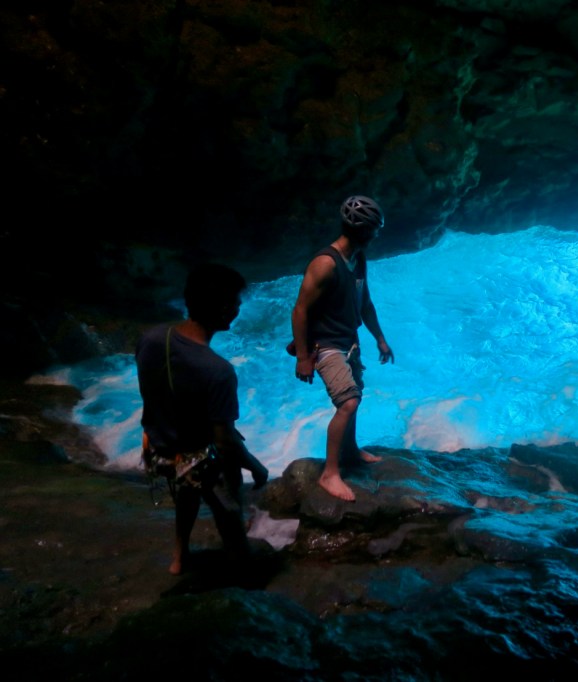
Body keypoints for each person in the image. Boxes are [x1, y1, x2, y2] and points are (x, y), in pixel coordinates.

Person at [136, 263, 269, 575]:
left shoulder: (151, 338)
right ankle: (241, 570)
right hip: (196, 460)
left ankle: (179, 556)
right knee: (229, 507)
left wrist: (155, 429)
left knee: (186, 491)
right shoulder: (217, 371)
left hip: (159, 453)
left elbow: (153, 391)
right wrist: (256, 466)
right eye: (236, 302)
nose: (238, 307)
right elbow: (224, 441)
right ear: (223, 309)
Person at [291, 194, 394, 501]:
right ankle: (330, 474)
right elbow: (300, 310)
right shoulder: (325, 264)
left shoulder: (358, 259)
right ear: (363, 230)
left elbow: (366, 303)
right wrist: (303, 357)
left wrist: (380, 338)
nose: (376, 236)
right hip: (325, 345)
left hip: (349, 341)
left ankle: (349, 451)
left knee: (355, 397)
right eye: (374, 230)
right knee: (348, 402)